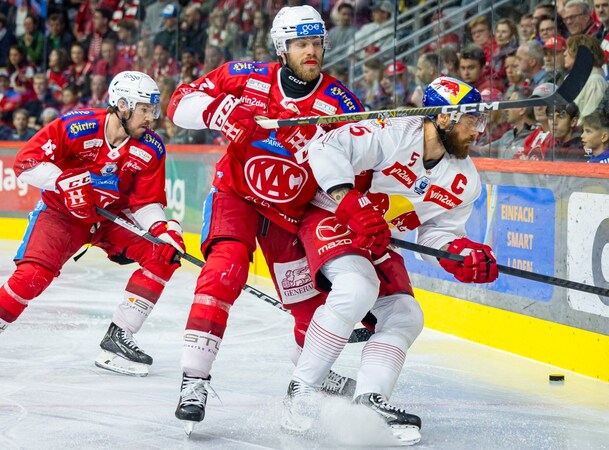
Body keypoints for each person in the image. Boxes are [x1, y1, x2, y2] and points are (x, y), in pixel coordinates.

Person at [166, 5, 367, 433]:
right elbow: (179, 103)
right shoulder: (247, 76)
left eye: (316, 43)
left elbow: (361, 171)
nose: (311, 51)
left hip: (289, 217)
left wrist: (316, 153)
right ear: (282, 48)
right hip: (236, 196)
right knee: (223, 274)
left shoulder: (339, 103)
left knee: (309, 312)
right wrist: (219, 112)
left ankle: (314, 372)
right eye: (300, 44)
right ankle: (194, 381)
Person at [287, 76, 499, 445]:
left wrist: (460, 254)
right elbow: (325, 148)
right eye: (470, 120)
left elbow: (436, 232)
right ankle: (301, 389)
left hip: (378, 238)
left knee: (406, 315)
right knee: (357, 287)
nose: (477, 130)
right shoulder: (395, 132)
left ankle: (371, 398)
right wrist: (349, 202)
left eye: (480, 121)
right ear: (444, 118)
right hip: (334, 216)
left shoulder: (465, 179)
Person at [1, 71, 185, 378]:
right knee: (32, 276)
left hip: (109, 220)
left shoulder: (151, 147)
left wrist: (160, 230)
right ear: (122, 105)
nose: (151, 118)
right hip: (61, 215)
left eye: (153, 110)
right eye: (145, 109)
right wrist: (60, 180)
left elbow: (145, 202)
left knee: (162, 253)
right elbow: (25, 162)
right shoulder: (77, 127)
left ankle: (118, 336)